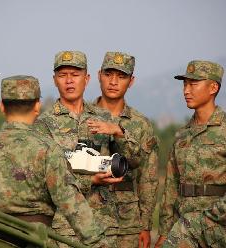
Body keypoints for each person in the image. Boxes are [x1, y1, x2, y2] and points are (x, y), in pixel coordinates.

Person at [0, 75, 109, 247]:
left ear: (2, 107)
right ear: (37, 107)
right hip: (36, 240)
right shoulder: (48, 149)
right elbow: (72, 204)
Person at [34, 50, 142, 247]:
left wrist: (119, 131)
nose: (69, 81)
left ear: (87, 78)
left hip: (103, 225)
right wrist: (90, 180)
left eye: (75, 75)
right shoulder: (44, 123)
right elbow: (42, 177)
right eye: (62, 75)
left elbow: (134, 162)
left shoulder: (105, 118)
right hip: (64, 228)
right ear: (54, 79)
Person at [90, 52, 159, 248]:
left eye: (121, 77)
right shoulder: (83, 117)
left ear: (131, 81)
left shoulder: (141, 124)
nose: (113, 82)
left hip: (127, 223)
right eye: (108, 74)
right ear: (99, 75)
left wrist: (145, 225)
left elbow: (149, 177)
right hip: (88, 217)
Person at [155, 60, 226, 247]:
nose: (186, 90)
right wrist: (164, 231)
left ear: (213, 87)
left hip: (218, 228)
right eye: (185, 84)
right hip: (183, 228)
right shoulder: (182, 134)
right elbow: (171, 187)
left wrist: (209, 219)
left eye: (193, 84)